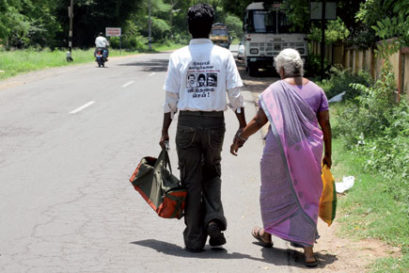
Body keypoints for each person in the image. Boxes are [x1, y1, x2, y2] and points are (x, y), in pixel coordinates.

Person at [230, 48, 332, 267]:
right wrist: (329, 155)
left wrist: (241, 138)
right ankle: (308, 253)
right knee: (306, 196)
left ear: (283, 69)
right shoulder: (317, 90)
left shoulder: (274, 90)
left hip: (278, 150)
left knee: (274, 193)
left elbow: (259, 121)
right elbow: (325, 125)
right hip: (310, 152)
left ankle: (268, 234)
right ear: (300, 67)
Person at [159, 3, 246, 252]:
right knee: (212, 172)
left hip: (186, 123)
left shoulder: (178, 56)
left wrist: (165, 130)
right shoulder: (223, 55)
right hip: (214, 123)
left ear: (189, 27)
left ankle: (195, 239)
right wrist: (242, 126)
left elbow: (170, 100)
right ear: (211, 27)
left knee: (190, 180)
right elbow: (236, 96)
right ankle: (214, 219)